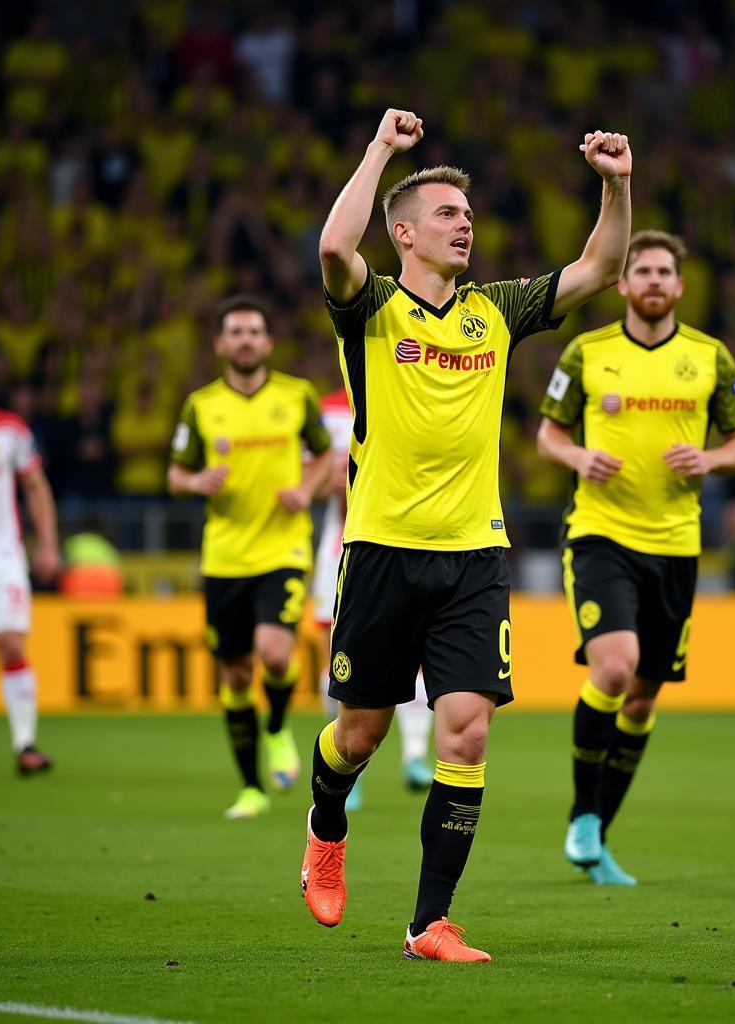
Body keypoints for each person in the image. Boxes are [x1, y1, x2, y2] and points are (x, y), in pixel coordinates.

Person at [300, 108, 632, 963]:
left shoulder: (496, 310)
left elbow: (601, 266)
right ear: (403, 234)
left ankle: (429, 923)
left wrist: (617, 183)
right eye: (448, 214)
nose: (465, 225)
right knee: (361, 735)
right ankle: (326, 826)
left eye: (469, 216)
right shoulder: (371, 306)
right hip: (379, 550)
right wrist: (378, 149)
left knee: (467, 731)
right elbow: (335, 250)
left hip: (474, 555)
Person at [536, 229, 735, 885]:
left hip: (677, 544)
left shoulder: (710, 358)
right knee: (617, 667)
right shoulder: (587, 351)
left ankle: (597, 837)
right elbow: (548, 433)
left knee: (642, 698)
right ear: (624, 284)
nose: (655, 281)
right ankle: (581, 815)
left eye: (665, 272)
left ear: (680, 287)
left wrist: (711, 458)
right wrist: (578, 456)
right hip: (602, 533)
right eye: (643, 272)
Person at [168, 296, 333, 820]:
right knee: (236, 675)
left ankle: (280, 728)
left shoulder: (296, 396)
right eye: (235, 332)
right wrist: (196, 481)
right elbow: (174, 475)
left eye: (254, 331)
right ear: (220, 344)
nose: (245, 339)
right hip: (223, 556)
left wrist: (308, 488)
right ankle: (250, 788)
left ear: (267, 342)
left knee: (276, 654)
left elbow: (328, 454)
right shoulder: (200, 406)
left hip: (283, 547)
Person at [310, 386, 435, 813]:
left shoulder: (412, 387)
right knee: (340, 662)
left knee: (416, 655)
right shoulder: (327, 411)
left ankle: (415, 754)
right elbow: (315, 480)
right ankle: (347, 766)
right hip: (342, 548)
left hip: (404, 544)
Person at [0, 349, 60, 778]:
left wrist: (48, 545)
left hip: (2, 557)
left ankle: (25, 744)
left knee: (11, 643)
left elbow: (36, 487)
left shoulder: (9, 430)